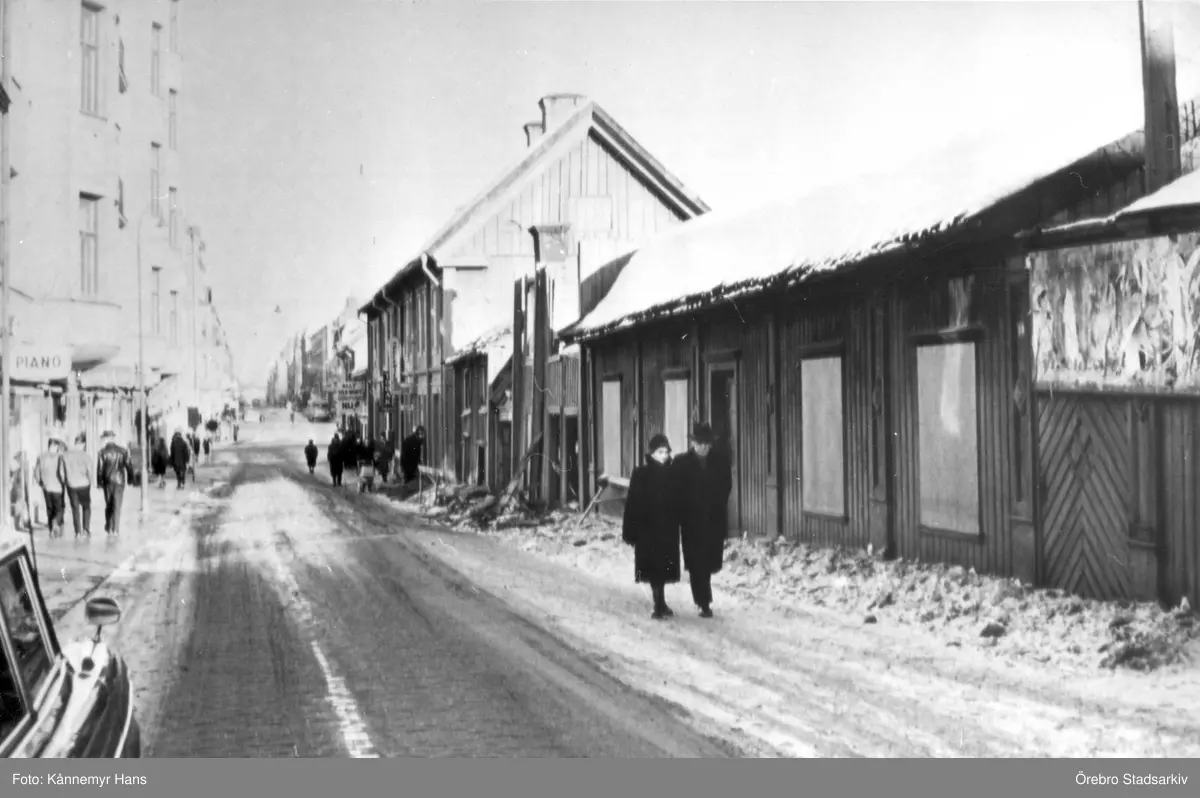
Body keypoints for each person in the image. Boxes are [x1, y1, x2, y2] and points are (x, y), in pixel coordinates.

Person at [672, 423, 733, 619]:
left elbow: (727, 485)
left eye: (707, 443)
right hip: (691, 521)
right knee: (696, 562)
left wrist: (717, 503)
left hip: (713, 519)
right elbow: (675, 491)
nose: (705, 447)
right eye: (700, 443)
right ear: (692, 443)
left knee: (709, 560)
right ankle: (703, 602)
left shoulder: (720, 461)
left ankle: (703, 598)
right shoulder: (681, 463)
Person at [622, 433, 681, 620]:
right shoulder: (641, 474)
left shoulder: (672, 474)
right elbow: (632, 504)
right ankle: (657, 605)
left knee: (664, 567)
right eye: (660, 452)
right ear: (652, 453)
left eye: (666, 452)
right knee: (654, 567)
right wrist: (630, 531)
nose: (664, 455)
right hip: (647, 530)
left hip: (667, 529)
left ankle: (661, 602)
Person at [96, 432, 134, 536]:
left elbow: (100, 470)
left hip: (107, 482)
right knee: (117, 505)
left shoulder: (102, 452)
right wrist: (131, 480)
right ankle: (116, 529)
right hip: (120, 481)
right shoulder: (123, 451)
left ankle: (109, 526)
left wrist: (99, 483)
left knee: (109, 504)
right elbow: (129, 466)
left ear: (107, 439)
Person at [57, 434, 93, 538]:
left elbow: (61, 472)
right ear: (83, 444)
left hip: (71, 485)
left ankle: (77, 532)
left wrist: (65, 481)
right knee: (86, 507)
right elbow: (90, 471)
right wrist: (90, 481)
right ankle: (86, 530)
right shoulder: (86, 456)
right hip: (84, 484)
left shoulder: (65, 455)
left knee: (75, 508)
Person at [34, 439, 66, 538]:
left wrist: (40, 483)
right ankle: (55, 523)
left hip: (46, 487)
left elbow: (36, 472)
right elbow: (62, 472)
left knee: (49, 509)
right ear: (54, 446)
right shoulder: (60, 457)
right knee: (59, 509)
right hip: (57, 487)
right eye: (57, 446)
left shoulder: (41, 457)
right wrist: (64, 482)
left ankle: (51, 529)